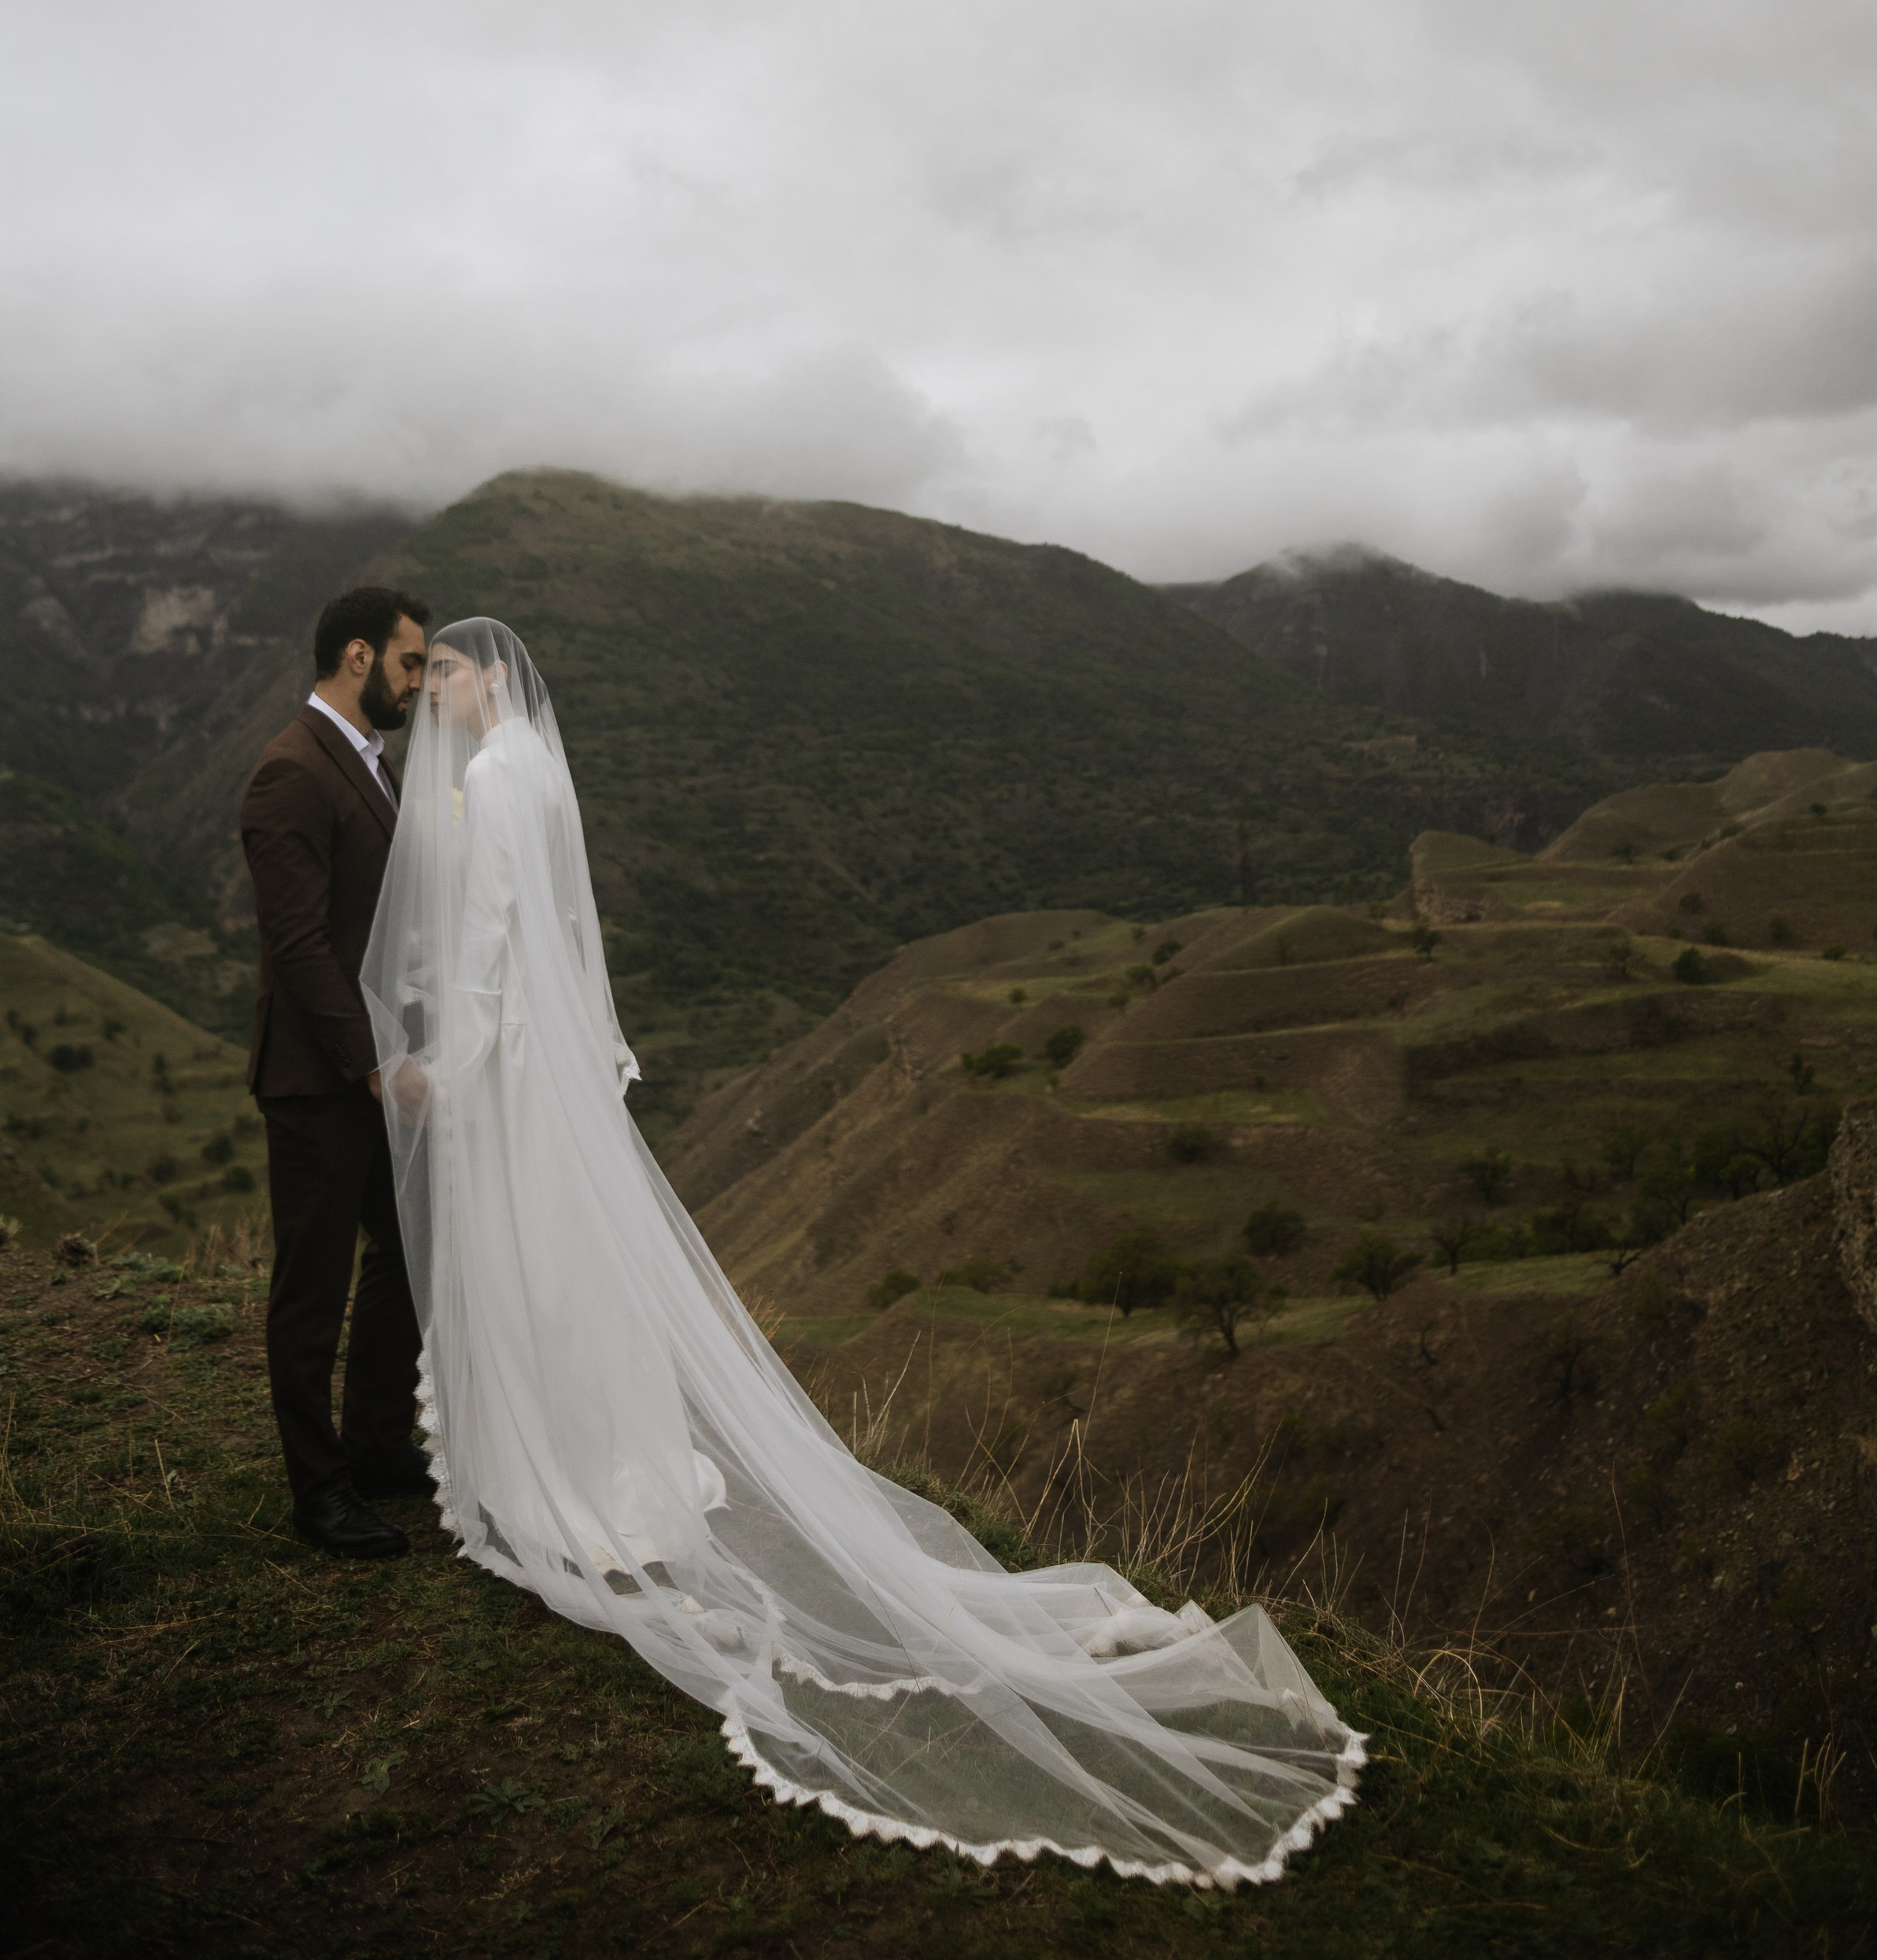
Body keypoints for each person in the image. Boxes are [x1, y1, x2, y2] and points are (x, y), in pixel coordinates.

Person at [363, 618, 1365, 1887]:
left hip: (513, 1063)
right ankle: (586, 1463)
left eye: (448, 673)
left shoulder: (500, 774)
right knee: (563, 1266)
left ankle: (569, 1477)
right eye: (428, 677)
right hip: (541, 1060)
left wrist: (452, 1065)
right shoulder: (534, 769)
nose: (434, 693)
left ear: (494, 677)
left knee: (545, 1265)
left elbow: (499, 931)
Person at [241, 581, 432, 1558]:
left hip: (373, 1069)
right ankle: (319, 1495)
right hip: (319, 1081)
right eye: (409, 661)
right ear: (359, 656)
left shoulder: (368, 762)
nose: (417, 682)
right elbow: (300, 947)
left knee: (408, 1248)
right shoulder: (292, 770)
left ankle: (376, 1443)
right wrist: (372, 1064)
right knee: (311, 1292)